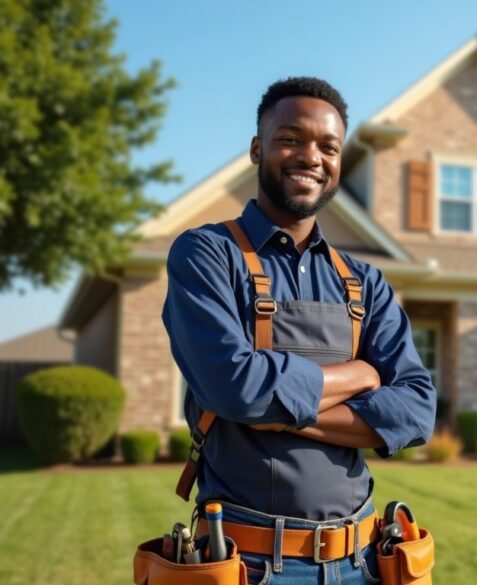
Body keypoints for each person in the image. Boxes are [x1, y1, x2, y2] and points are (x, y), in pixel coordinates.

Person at [162, 76, 436, 584]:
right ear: (257, 149)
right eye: (290, 139)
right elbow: (236, 387)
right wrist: (360, 374)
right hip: (248, 562)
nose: (311, 156)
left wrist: (276, 412)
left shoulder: (365, 282)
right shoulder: (207, 255)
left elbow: (418, 409)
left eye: (328, 146)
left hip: (363, 561)